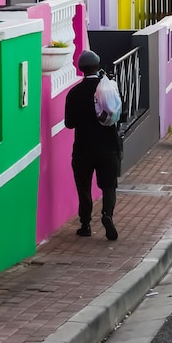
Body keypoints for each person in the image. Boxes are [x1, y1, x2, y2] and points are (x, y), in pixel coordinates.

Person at [64, 50, 121, 240]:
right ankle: (107, 215)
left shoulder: (73, 93)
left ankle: (85, 224)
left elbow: (69, 123)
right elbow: (118, 114)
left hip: (83, 150)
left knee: (84, 188)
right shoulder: (107, 88)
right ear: (98, 66)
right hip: (108, 147)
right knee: (109, 186)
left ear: (81, 69)